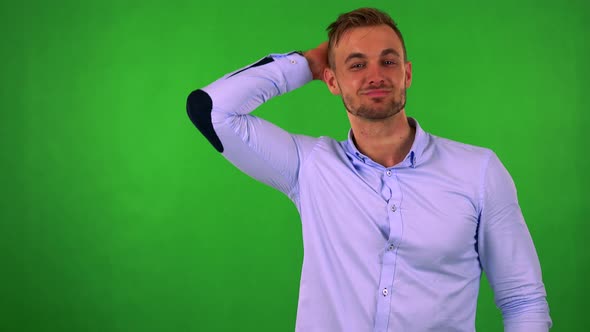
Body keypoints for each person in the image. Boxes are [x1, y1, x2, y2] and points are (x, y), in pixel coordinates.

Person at [186, 7, 551, 332]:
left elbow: (523, 301)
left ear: (407, 74)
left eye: (388, 62)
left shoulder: (479, 171)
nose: (375, 75)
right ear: (332, 81)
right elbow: (210, 109)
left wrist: (340, 63)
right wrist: (308, 64)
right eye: (356, 64)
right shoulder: (309, 166)